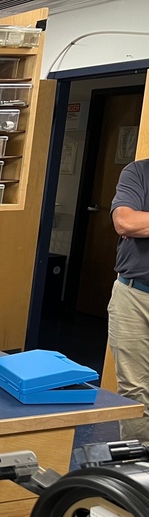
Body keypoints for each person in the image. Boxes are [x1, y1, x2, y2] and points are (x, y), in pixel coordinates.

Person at [108, 157, 149, 442]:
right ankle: (139, 469)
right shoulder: (138, 172)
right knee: (135, 392)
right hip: (134, 296)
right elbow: (125, 222)